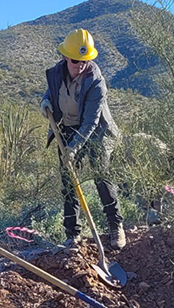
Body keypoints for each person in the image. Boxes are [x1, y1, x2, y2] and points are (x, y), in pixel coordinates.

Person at [40, 29, 126, 249]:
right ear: (66, 57)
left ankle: (116, 226)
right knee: (69, 182)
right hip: (66, 129)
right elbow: (51, 93)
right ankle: (72, 234)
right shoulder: (57, 73)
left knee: (101, 175)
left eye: (85, 61)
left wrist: (73, 148)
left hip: (96, 131)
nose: (81, 65)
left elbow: (91, 122)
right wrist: (45, 102)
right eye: (76, 61)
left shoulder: (96, 83)